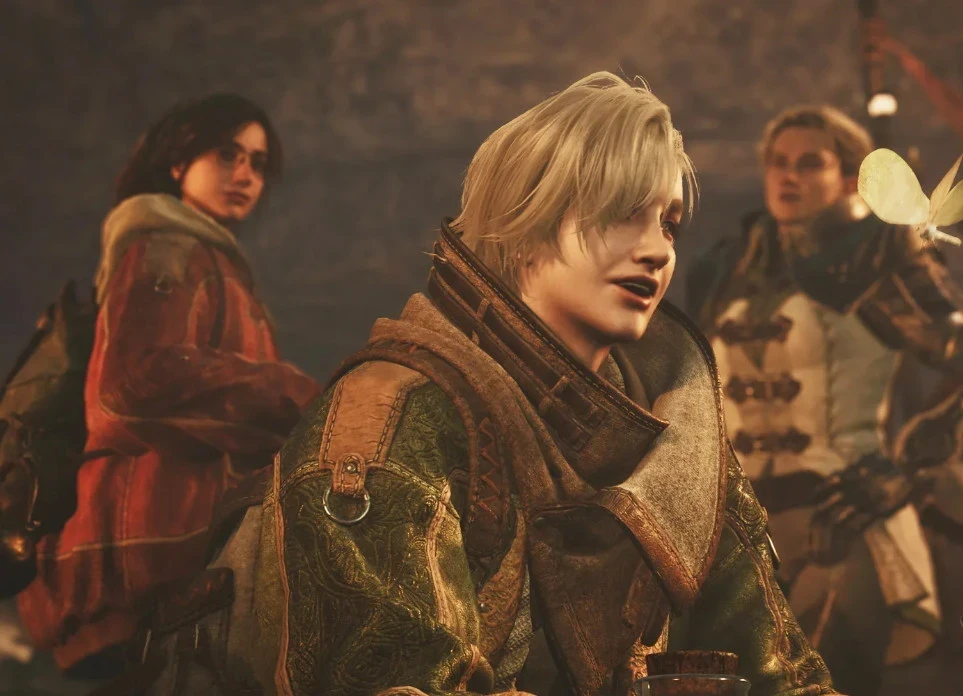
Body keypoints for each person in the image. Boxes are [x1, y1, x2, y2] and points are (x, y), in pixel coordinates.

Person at [107, 72, 840, 696]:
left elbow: (783, 674)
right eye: (622, 214)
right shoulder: (389, 420)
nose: (656, 250)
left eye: (669, 223)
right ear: (526, 226)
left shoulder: (678, 430)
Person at [686, 105, 963, 696]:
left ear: (848, 179)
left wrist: (903, 470)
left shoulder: (878, 254)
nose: (788, 176)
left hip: (844, 512)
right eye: (778, 163)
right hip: (736, 529)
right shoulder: (725, 266)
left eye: (808, 163)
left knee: (831, 678)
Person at [14, 93, 320, 677]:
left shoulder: (211, 260)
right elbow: (133, 385)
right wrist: (290, 394)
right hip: (149, 559)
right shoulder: (165, 248)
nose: (245, 175)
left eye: (257, 163)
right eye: (227, 154)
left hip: (174, 560)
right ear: (178, 162)